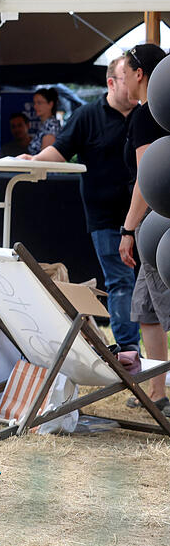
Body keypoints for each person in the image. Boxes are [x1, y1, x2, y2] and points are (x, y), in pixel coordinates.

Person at [20, 57, 139, 351]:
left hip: (147, 215)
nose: (138, 83)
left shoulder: (146, 114)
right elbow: (60, 151)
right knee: (121, 284)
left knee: (148, 285)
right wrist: (32, 160)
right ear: (111, 82)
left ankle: (147, 356)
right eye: (130, 77)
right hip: (107, 217)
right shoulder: (87, 116)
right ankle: (129, 352)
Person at [116, 44, 170, 415]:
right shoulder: (152, 114)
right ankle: (157, 390)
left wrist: (128, 228)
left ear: (139, 74)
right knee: (146, 311)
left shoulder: (147, 116)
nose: (121, 81)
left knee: (159, 309)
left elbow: (146, 182)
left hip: (155, 227)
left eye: (124, 73)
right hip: (155, 226)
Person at [29, 87, 61, 155]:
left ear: (50, 104)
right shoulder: (46, 125)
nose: (35, 106)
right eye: (34, 103)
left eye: (39, 103)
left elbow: (46, 158)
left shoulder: (50, 126)